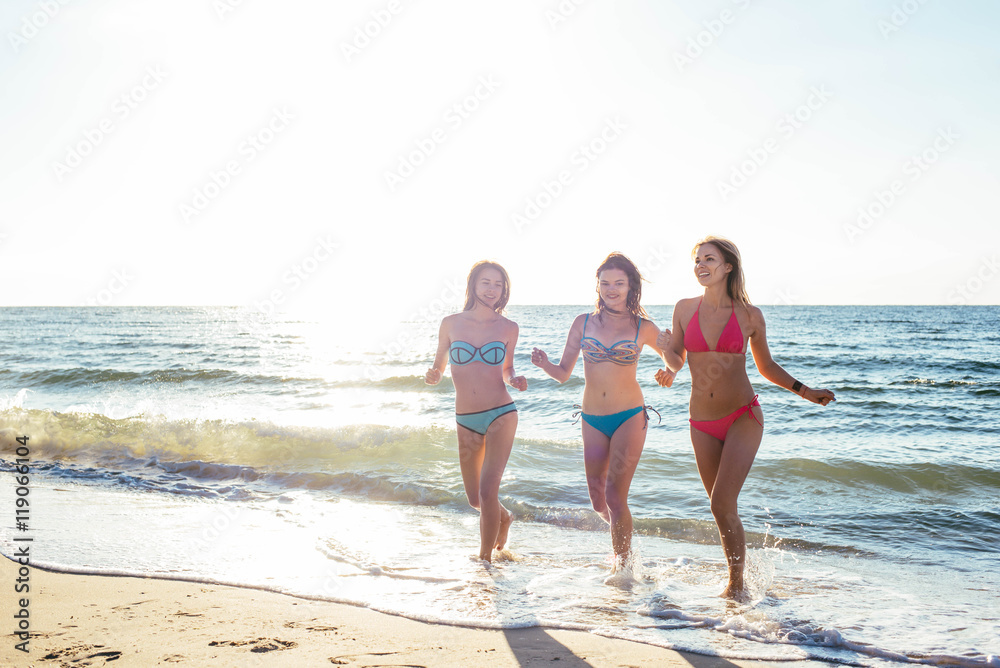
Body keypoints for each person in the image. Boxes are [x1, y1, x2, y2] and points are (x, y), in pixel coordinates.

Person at [657, 236, 835, 599]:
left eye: (709, 259)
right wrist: (667, 365)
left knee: (721, 502)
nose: (701, 265)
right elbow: (677, 356)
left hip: (743, 415)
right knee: (721, 510)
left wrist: (805, 391)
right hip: (700, 421)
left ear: (728, 267)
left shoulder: (749, 315)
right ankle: (740, 576)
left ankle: (735, 588)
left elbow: (765, 366)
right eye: (697, 260)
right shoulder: (683, 308)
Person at [531, 252, 674, 567]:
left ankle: (623, 568)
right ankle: (624, 540)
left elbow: (676, 356)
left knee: (615, 497)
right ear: (597, 286)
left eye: (619, 283)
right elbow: (563, 373)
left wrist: (671, 366)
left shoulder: (643, 327)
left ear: (630, 286)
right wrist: (545, 365)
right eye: (605, 283)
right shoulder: (582, 323)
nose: (612, 289)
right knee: (598, 501)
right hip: (592, 418)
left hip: (630, 416)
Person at [426, 261, 527, 562]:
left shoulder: (509, 328)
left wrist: (515, 379)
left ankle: (485, 561)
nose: (492, 289)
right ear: (473, 285)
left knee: (487, 490)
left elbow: (506, 369)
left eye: (498, 284)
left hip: (501, 413)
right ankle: (504, 517)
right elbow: (439, 365)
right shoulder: (451, 323)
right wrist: (433, 375)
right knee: (475, 499)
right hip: (465, 419)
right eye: (486, 282)